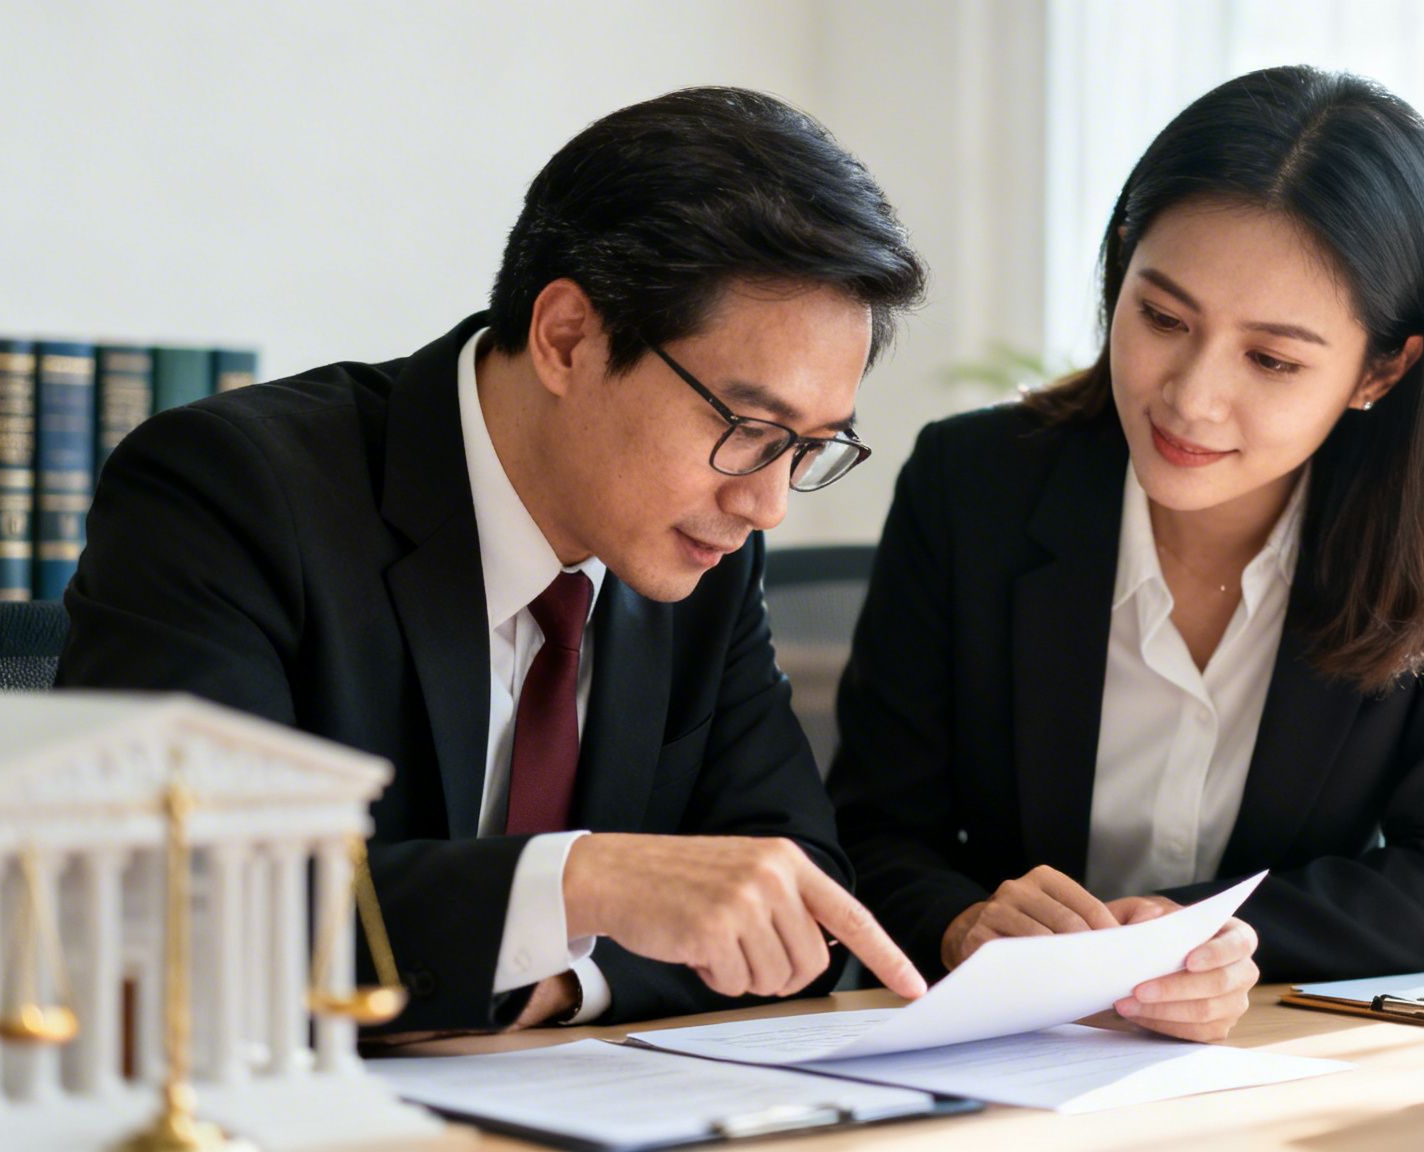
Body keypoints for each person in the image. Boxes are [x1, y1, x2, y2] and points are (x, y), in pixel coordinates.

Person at [57, 87, 930, 1034]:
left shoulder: (704, 557)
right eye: (750, 428)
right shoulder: (235, 491)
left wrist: (551, 981)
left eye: (810, 447)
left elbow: (801, 901)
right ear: (567, 339)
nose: (764, 503)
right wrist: (576, 884)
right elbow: (174, 901)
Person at [828, 65, 1424, 1043]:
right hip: (999, 1056)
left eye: (1271, 360)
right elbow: (867, 833)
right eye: (1161, 318)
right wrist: (958, 924)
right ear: (1119, 264)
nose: (1189, 398)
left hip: (1258, 1063)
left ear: (1381, 368)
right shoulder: (974, 483)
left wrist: (1198, 936)